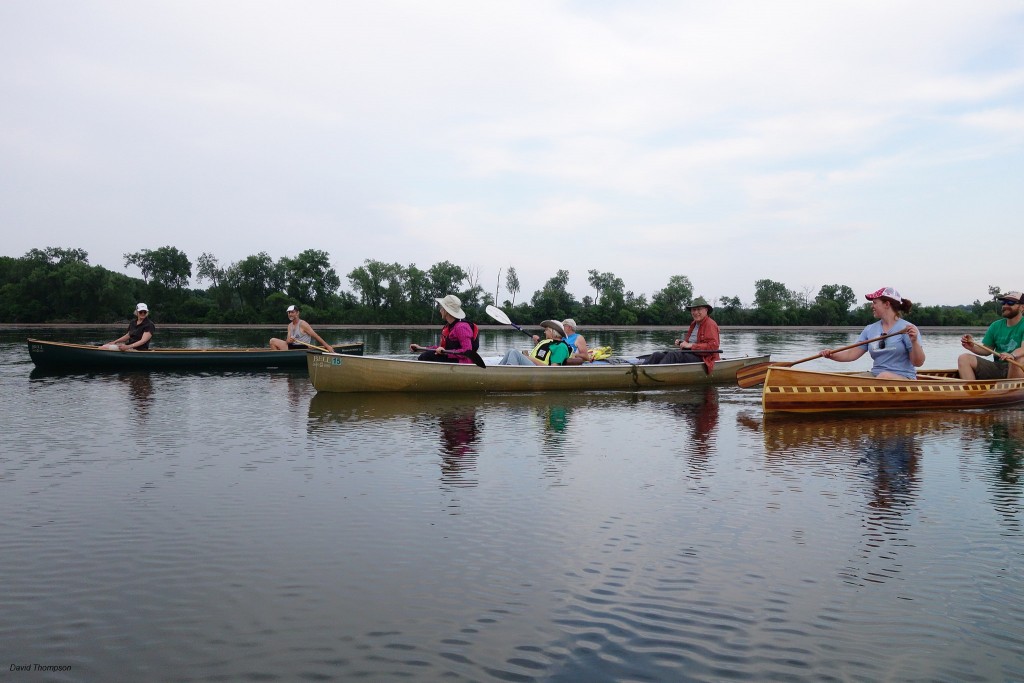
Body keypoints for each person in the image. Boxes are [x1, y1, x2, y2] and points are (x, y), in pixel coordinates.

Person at [821, 287, 924, 379]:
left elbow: (918, 363)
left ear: (887, 304)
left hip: (903, 378)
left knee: (884, 376)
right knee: (846, 381)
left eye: (875, 302)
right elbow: (851, 353)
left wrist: (914, 342)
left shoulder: (908, 329)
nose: (872, 306)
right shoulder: (870, 329)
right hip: (876, 376)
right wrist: (831, 354)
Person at [642, 297, 721, 373]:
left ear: (706, 310)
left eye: (699, 309)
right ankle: (640, 371)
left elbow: (713, 346)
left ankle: (655, 374)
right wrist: (682, 343)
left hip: (704, 358)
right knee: (656, 355)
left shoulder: (710, 324)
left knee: (673, 355)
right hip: (690, 354)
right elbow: (689, 343)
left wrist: (691, 346)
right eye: (693, 310)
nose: (696, 312)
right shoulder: (694, 324)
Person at [958, 290, 1024, 380]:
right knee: (963, 358)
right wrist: (972, 346)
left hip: (1018, 366)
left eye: (1010, 303)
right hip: (998, 366)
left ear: (1022, 307)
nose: (1005, 306)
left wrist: (1012, 355)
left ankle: (1010, 392)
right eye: (1003, 302)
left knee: (1019, 359)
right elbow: (987, 350)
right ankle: (972, 392)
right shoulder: (995, 325)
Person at [410, 294, 479, 364]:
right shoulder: (450, 326)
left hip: (463, 363)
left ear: (446, 311)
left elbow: (467, 351)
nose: (440, 310)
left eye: (441, 308)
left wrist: (446, 353)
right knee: (426, 355)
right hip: (452, 360)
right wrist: (420, 348)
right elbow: (441, 348)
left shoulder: (462, 327)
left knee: (427, 356)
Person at [497, 320, 572, 366]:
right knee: (510, 351)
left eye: (546, 330)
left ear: (553, 331)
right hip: (534, 368)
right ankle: (498, 370)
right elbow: (543, 354)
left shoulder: (561, 347)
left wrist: (530, 359)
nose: (544, 332)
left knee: (514, 352)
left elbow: (553, 369)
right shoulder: (550, 343)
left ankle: (508, 373)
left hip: (541, 372)